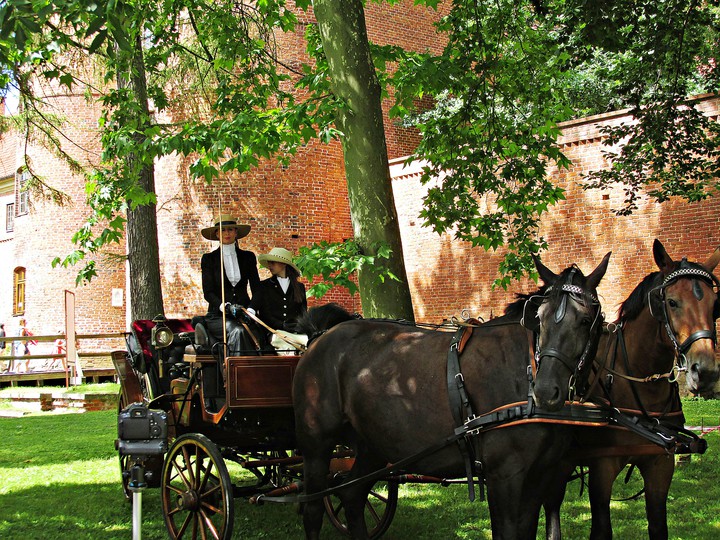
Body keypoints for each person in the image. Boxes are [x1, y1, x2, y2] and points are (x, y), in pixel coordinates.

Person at [200, 214, 261, 355]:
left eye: (230, 229)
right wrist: (224, 306)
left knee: (259, 334)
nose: (226, 233)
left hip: (244, 314)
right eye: (222, 230)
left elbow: (257, 289)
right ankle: (236, 374)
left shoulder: (248, 257)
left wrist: (251, 310)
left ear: (236, 232)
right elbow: (208, 292)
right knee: (238, 332)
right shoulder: (209, 259)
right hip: (218, 317)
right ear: (217, 234)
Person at [250, 247, 307, 336]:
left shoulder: (299, 287)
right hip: (271, 333)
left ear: (284, 264)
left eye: (273, 262)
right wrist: (282, 325)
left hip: (295, 332)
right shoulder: (264, 286)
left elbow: (303, 313)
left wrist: (297, 327)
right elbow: (265, 314)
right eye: (269, 263)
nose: (270, 265)